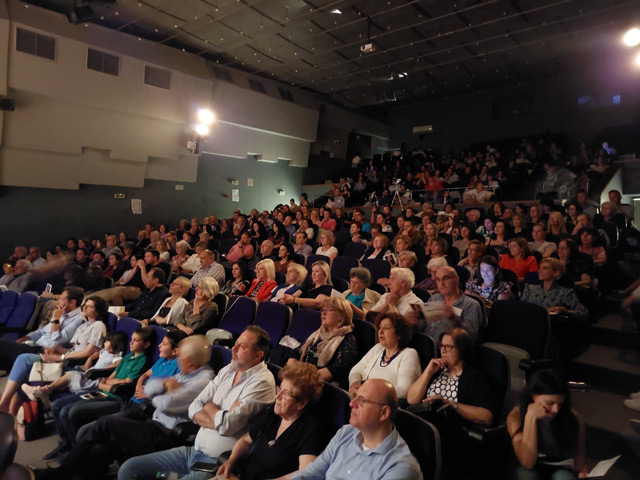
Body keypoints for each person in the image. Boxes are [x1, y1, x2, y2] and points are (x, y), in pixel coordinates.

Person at [36, 335, 214, 480]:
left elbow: (165, 403)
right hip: (152, 421)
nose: (178, 359)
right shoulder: (184, 374)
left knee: (105, 423)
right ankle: (73, 474)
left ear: (191, 359)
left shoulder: (202, 380)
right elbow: (150, 387)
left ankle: (60, 473)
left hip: (165, 433)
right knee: (100, 449)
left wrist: (163, 391)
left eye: (181, 356)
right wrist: (165, 385)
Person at [118, 326, 276, 480]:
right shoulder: (229, 369)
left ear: (258, 355)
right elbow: (195, 406)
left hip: (216, 462)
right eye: (236, 343)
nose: (233, 348)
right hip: (194, 450)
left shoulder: (262, 381)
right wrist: (216, 413)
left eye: (242, 346)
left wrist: (208, 407)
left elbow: (226, 425)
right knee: (129, 468)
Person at [46, 327, 156, 459]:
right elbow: (111, 377)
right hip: (101, 392)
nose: (131, 343)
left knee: (70, 411)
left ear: (146, 344)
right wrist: (108, 383)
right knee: (57, 405)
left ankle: (78, 453)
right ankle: (66, 443)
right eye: (131, 339)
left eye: (136, 340)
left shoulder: (143, 361)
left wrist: (107, 383)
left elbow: (125, 383)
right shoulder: (128, 356)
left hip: (116, 398)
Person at [216, 362, 331, 480]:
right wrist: (231, 460)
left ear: (301, 403)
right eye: (280, 388)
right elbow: (245, 440)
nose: (277, 396)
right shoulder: (272, 412)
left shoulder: (312, 430)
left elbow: (305, 473)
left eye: (285, 394)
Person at [291, 379, 421, 480]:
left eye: (361, 401)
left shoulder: (400, 467)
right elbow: (311, 474)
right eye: (355, 397)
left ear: (383, 413)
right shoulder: (345, 433)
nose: (351, 404)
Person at [0, 293, 103, 415]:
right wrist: (57, 349)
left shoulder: (98, 325)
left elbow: (88, 351)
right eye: (84, 305)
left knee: (23, 358)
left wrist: (61, 356)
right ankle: (11, 414)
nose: (84, 308)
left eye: (89, 307)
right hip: (62, 355)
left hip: (73, 364)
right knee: (23, 370)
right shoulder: (84, 326)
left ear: (97, 311)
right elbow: (73, 348)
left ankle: (4, 403)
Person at [507, 369, 590, 480]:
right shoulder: (516, 417)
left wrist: (583, 472)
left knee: (563, 477)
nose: (555, 410)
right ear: (533, 396)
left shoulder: (572, 417)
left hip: (561, 468)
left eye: (560, 404)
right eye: (550, 403)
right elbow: (527, 462)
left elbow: (580, 460)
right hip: (529, 467)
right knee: (526, 475)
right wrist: (530, 418)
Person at [22, 330, 128, 410]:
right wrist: (90, 358)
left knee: (70, 375)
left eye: (108, 341)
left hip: (94, 379)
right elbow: (97, 353)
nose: (104, 343)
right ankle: (45, 393)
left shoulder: (117, 356)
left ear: (115, 344)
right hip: (87, 374)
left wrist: (104, 369)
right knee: (66, 382)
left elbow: (118, 364)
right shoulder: (104, 351)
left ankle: (46, 389)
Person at [0, 286, 85, 374]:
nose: (58, 301)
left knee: (2, 344)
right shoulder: (61, 313)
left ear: (72, 302)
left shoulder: (78, 321)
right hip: (34, 345)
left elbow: (57, 341)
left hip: (46, 351)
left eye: (62, 299)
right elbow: (41, 331)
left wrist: (56, 320)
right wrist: (25, 338)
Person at [289, 297, 358, 389]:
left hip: (317, 385)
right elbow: (296, 352)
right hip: (300, 377)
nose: (323, 313)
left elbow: (335, 371)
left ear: (340, 316)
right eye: (323, 310)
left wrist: (298, 379)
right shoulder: (319, 333)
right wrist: (290, 372)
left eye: (329, 310)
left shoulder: (347, 341)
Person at [349, 313, 420, 400]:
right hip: (361, 398)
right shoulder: (378, 348)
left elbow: (403, 390)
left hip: (382, 404)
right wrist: (355, 383)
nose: (380, 332)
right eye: (379, 327)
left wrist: (368, 392)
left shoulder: (409, 354)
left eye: (386, 328)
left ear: (399, 334)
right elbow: (355, 370)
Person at [423, 266, 484, 343]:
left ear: (456, 279)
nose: (442, 283)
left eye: (446, 278)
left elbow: (471, 336)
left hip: (447, 349)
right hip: (427, 345)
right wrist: (413, 321)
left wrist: (455, 320)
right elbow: (423, 324)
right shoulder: (434, 298)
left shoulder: (471, 305)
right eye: (438, 280)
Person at [520, 258, 588, 321]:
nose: (539, 271)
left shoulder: (564, 292)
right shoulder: (530, 288)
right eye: (539, 268)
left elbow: (584, 314)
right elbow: (520, 309)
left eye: (545, 268)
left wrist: (565, 311)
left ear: (556, 273)